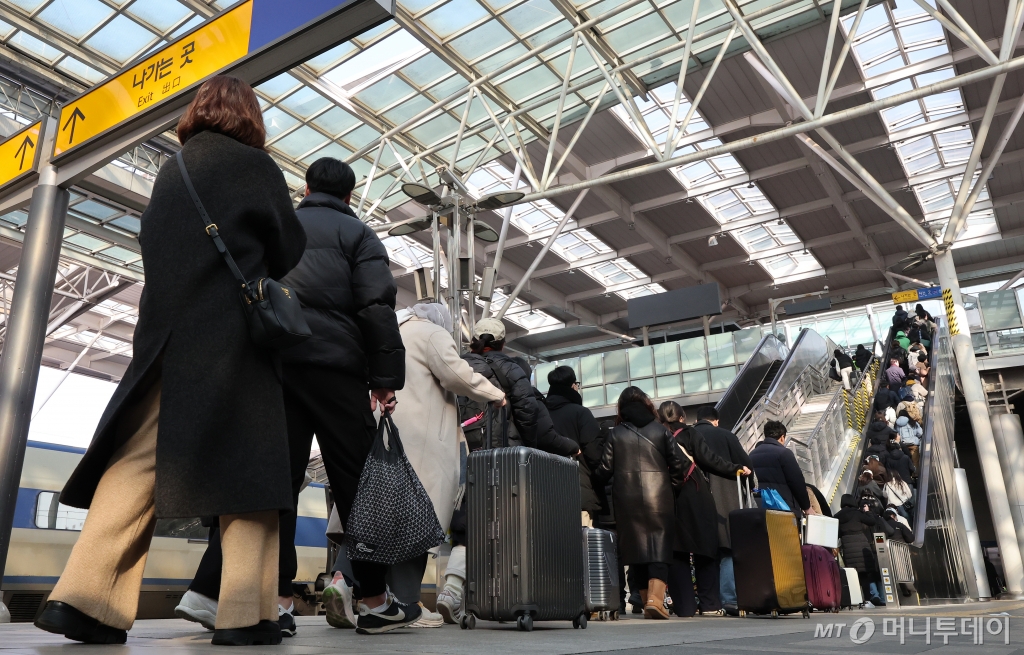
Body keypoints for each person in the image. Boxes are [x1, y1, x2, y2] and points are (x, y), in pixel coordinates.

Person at [35, 77, 307, 646]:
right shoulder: (256, 168)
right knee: (249, 472)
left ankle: (84, 600)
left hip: (165, 338)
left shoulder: (173, 168)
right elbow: (288, 248)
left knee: (140, 463)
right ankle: (245, 614)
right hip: (235, 340)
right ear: (251, 118)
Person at [175, 154, 413, 637]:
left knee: (271, 481)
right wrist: (384, 378)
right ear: (349, 196)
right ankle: (372, 598)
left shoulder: (280, 226)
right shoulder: (360, 236)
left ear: (305, 189)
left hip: (279, 362)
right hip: (337, 370)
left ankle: (266, 597)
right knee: (357, 483)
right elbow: (375, 305)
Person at [387, 303, 505, 627]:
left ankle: (356, 590)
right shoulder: (429, 333)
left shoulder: (393, 333)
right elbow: (456, 374)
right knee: (420, 525)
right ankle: (408, 605)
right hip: (420, 441)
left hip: (386, 436)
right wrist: (494, 393)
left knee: (383, 522)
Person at [595, 387, 687, 620]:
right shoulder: (660, 430)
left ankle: (647, 600)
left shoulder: (615, 434)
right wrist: (672, 487)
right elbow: (677, 465)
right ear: (647, 404)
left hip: (627, 499)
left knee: (635, 549)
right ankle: (656, 601)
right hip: (659, 497)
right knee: (659, 546)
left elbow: (604, 471)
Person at [657, 402, 749, 617]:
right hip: (695, 495)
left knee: (677, 553)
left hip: (668, 498)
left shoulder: (656, 436)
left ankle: (684, 606)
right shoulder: (690, 434)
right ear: (682, 418)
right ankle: (709, 605)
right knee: (705, 549)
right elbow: (710, 461)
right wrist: (735, 469)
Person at [462, 318, 577, 456]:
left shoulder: (458, 367)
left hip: (459, 450)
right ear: (502, 344)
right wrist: (528, 446)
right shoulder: (511, 369)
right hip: (505, 454)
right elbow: (527, 412)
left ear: (473, 341)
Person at [689, 406, 755, 616]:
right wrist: (751, 486)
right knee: (727, 549)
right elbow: (746, 465)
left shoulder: (687, 436)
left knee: (703, 553)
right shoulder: (726, 435)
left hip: (696, 498)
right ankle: (729, 599)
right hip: (726, 498)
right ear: (715, 420)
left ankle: (709, 601)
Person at [544, 366, 603, 526]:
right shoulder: (580, 413)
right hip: (578, 492)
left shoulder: (540, 415)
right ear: (573, 386)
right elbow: (594, 454)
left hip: (543, 495)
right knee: (583, 545)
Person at [749, 420, 813, 520]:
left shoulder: (751, 455)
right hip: (783, 508)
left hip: (760, 509)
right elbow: (797, 482)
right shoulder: (784, 453)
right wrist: (807, 507)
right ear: (782, 437)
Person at [835, 494, 885, 607]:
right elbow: (872, 521)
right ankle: (867, 600)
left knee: (852, 574)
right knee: (865, 575)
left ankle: (854, 599)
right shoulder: (857, 513)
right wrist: (867, 511)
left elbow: (836, 534)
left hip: (848, 547)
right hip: (861, 546)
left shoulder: (837, 516)